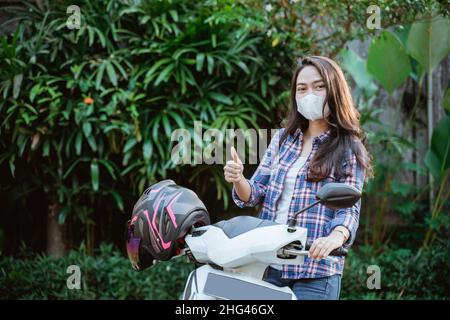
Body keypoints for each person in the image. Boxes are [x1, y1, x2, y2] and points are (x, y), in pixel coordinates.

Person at [223, 56, 373, 300]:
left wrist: (334, 238)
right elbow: (255, 193)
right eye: (301, 89)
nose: (309, 94)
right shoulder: (283, 139)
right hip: (269, 263)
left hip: (315, 268)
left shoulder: (349, 147)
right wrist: (239, 179)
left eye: (319, 86)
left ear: (334, 90)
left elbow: (348, 207)